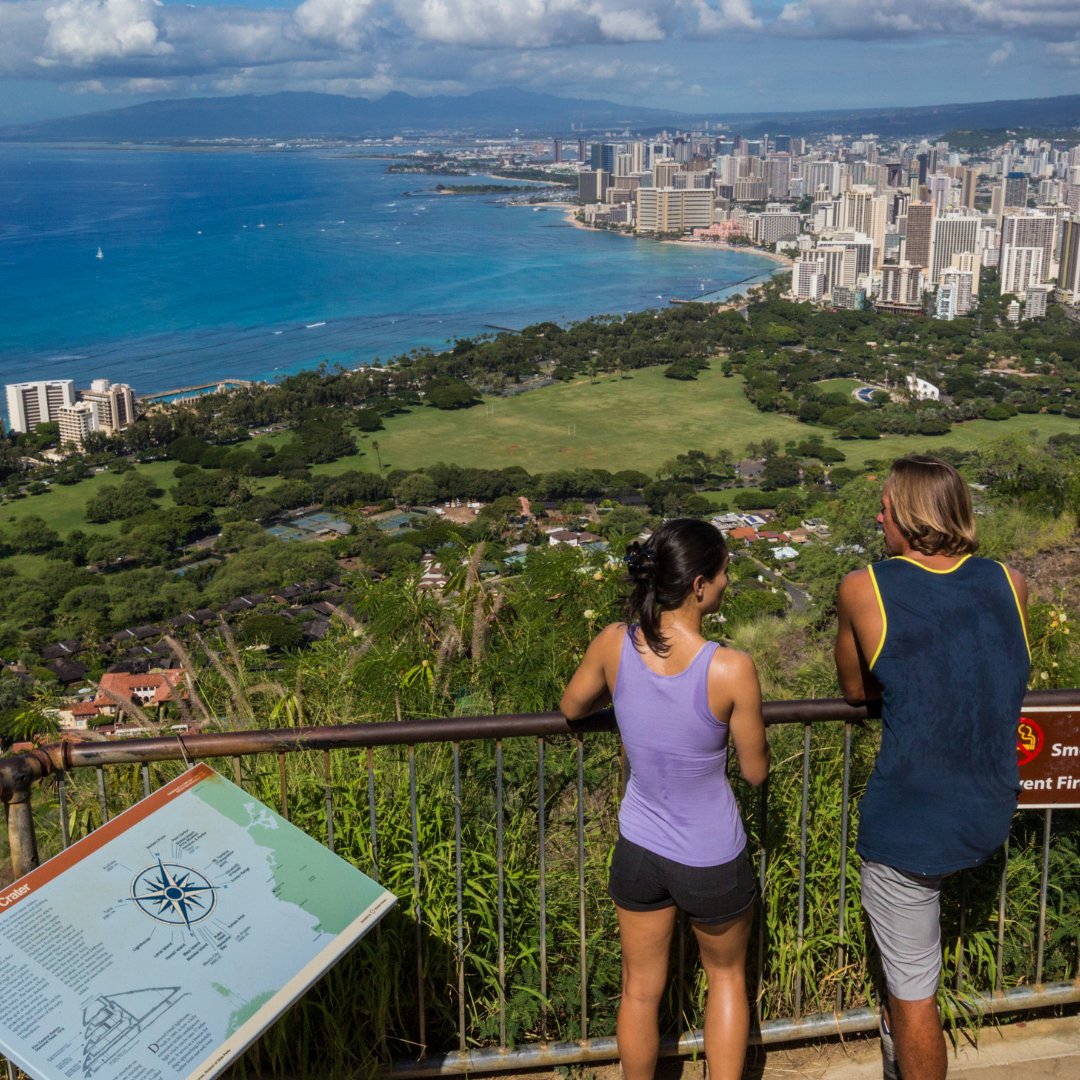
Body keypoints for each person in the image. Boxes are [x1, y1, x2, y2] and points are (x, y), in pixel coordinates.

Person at [834, 456, 1030, 1080]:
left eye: (885, 508)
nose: (878, 517)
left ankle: (902, 1032)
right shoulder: (1011, 582)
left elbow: (854, 689)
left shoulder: (864, 586)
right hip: (988, 807)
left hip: (910, 822)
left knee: (914, 990)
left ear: (908, 516)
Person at [560, 518, 769, 1080]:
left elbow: (573, 707)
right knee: (726, 979)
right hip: (710, 855)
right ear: (699, 586)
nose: (727, 582)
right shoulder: (730, 668)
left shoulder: (613, 642)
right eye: (724, 572)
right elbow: (753, 772)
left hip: (639, 848)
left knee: (639, 989)